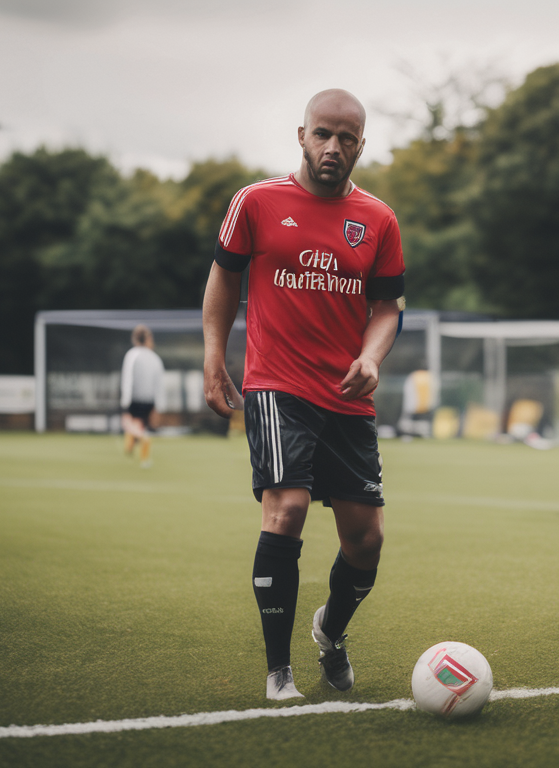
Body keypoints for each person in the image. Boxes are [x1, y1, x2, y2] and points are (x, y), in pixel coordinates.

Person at [201, 89, 405, 701]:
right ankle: (278, 674)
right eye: (323, 135)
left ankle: (330, 635)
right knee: (285, 508)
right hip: (277, 386)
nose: (333, 148)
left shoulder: (379, 219)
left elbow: (387, 308)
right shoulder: (256, 202)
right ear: (301, 135)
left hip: (345, 397)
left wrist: (370, 356)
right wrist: (214, 355)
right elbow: (223, 282)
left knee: (366, 539)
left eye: (347, 139)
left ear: (361, 146)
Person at [120, 324, 165, 468]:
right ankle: (143, 457)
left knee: (134, 426)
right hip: (149, 400)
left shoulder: (132, 355)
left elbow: (128, 379)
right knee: (140, 426)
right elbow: (159, 384)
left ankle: (135, 441)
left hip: (135, 399)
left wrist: (125, 401)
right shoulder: (155, 358)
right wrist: (159, 405)